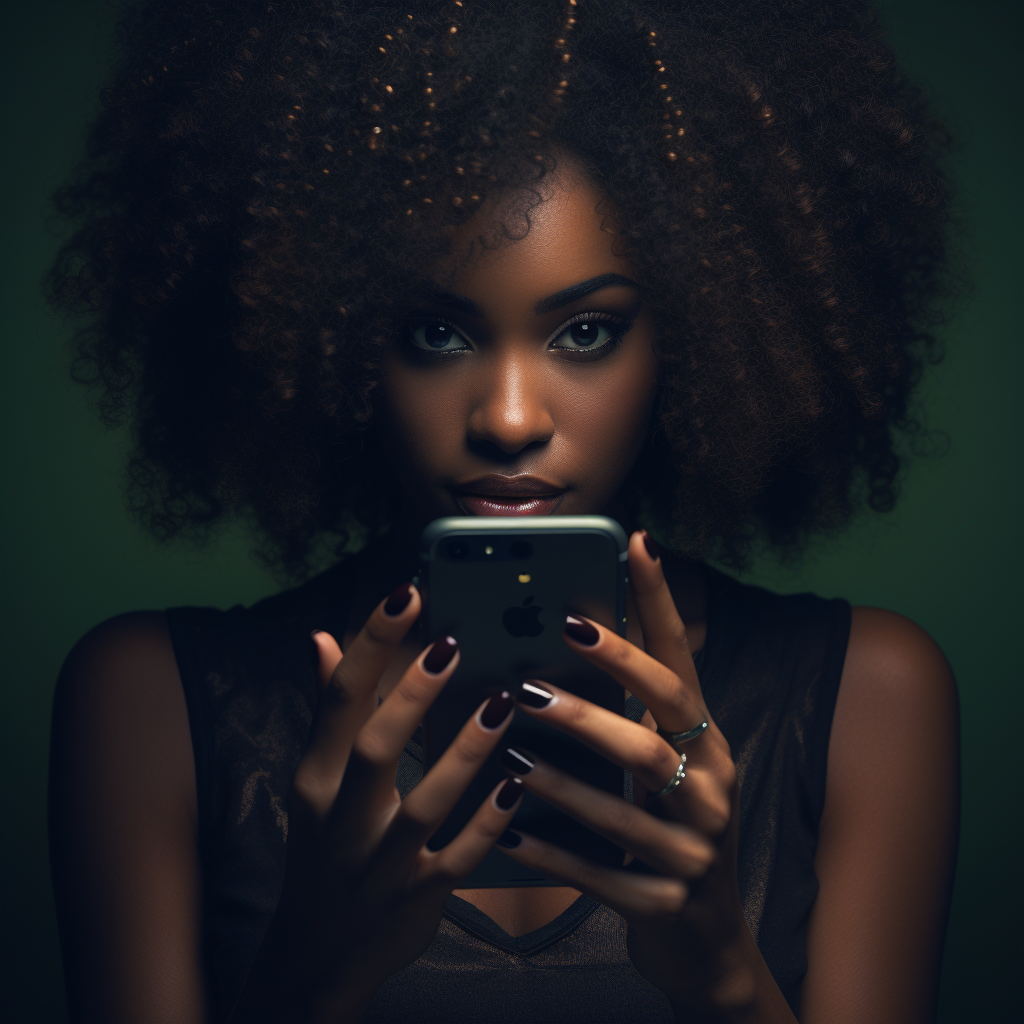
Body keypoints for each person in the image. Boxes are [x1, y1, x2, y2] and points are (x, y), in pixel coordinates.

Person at [46, 2, 960, 1022]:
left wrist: (725, 974)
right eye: (436, 332)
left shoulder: (867, 696)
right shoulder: (150, 703)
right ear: (331, 335)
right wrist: (314, 968)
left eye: (585, 333)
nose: (509, 417)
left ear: (697, 337)